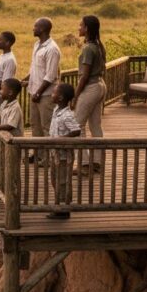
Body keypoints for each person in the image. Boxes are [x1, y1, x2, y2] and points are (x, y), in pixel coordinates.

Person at [75, 15, 107, 174]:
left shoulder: (88, 48)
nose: (79, 28)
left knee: (76, 125)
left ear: (87, 28)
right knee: (95, 125)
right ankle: (97, 162)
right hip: (100, 85)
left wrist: (75, 96)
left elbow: (85, 76)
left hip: (90, 87)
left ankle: (84, 164)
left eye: (81, 25)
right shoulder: (98, 45)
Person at [47, 83, 82, 220]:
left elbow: (76, 130)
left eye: (54, 93)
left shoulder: (67, 115)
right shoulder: (56, 110)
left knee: (62, 182)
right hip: (54, 154)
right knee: (55, 180)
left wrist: (62, 139)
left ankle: (63, 209)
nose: (51, 95)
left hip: (64, 156)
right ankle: (59, 205)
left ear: (60, 97)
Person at [21, 18, 60, 137]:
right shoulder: (37, 45)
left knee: (47, 126)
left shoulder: (52, 49)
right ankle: (39, 154)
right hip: (34, 92)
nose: (33, 28)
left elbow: (51, 75)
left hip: (46, 94)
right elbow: (35, 68)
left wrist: (38, 92)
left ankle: (51, 155)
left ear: (42, 29)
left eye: (35, 26)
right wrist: (26, 79)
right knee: (35, 125)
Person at [0, 31, 17, 108]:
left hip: (1, 95)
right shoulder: (2, 56)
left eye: (0, 40)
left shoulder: (10, 59)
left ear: (7, 43)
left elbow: (5, 81)